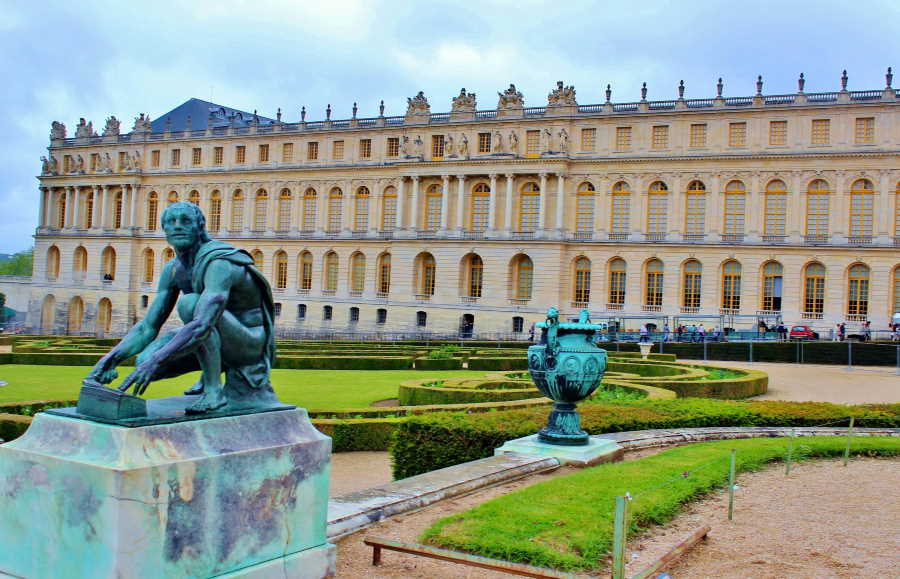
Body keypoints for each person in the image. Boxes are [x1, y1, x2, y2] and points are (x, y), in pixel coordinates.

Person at [85, 202, 276, 414]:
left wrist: (158, 360)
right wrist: (110, 359)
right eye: (171, 222)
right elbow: (147, 327)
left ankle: (214, 392)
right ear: (164, 229)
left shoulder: (219, 263)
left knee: (190, 304)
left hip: (250, 344)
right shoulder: (174, 269)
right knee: (143, 360)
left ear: (200, 227)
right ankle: (209, 375)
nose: (177, 226)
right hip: (215, 333)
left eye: (185, 221)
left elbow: (202, 324)